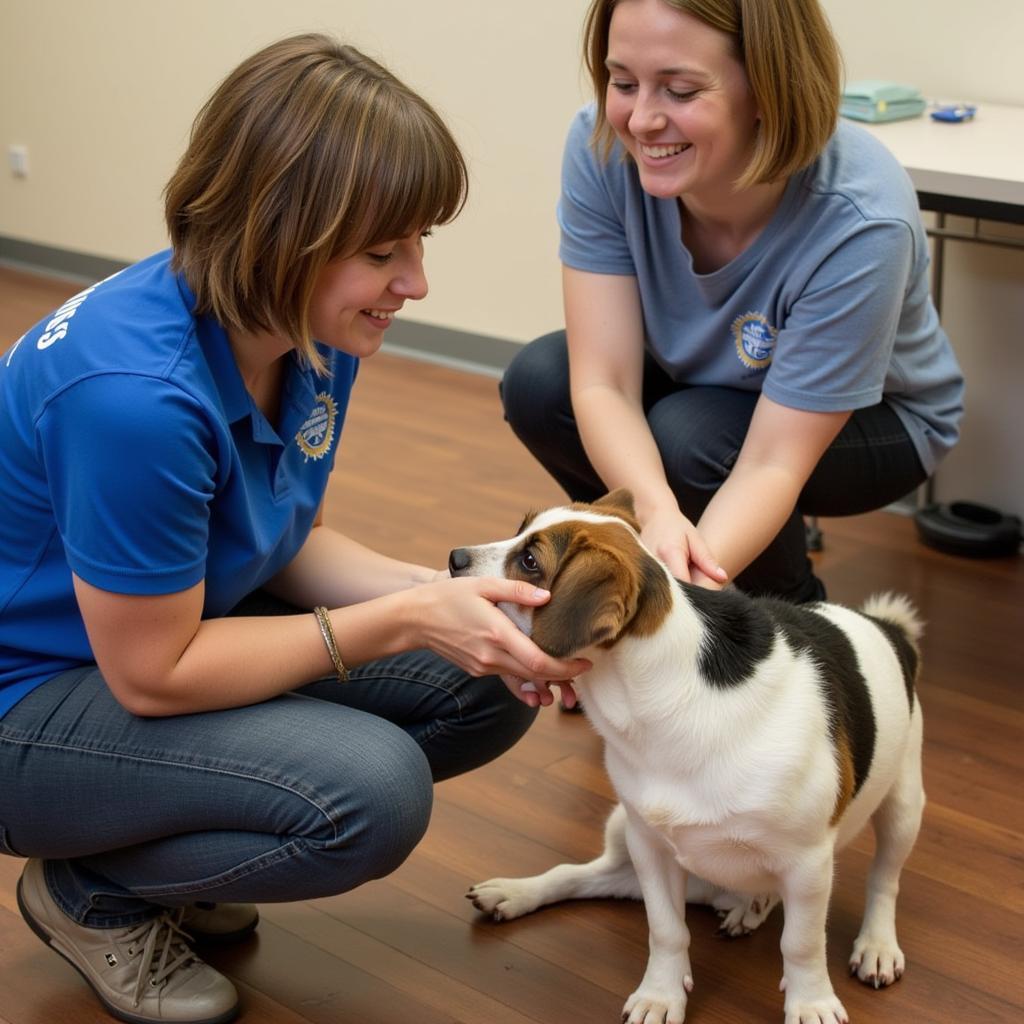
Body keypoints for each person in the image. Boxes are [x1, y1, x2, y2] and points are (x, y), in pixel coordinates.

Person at [0, 34, 587, 1024]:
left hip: (143, 641)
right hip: (31, 702)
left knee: (483, 677)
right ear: (281, 233)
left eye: (419, 242)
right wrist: (404, 620)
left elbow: (272, 536)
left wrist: (443, 601)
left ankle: (176, 842)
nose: (416, 283)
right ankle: (93, 892)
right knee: (371, 792)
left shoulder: (299, 325)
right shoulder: (134, 398)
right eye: (382, 252)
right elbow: (155, 672)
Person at [501, 0, 964, 603]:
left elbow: (773, 461)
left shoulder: (861, 218)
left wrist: (668, 601)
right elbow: (604, 383)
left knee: (690, 436)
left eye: (681, 90)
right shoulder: (601, 148)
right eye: (623, 83)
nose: (641, 120)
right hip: (703, 392)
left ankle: (797, 621)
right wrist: (655, 518)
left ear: (770, 88)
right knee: (541, 382)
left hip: (881, 422)